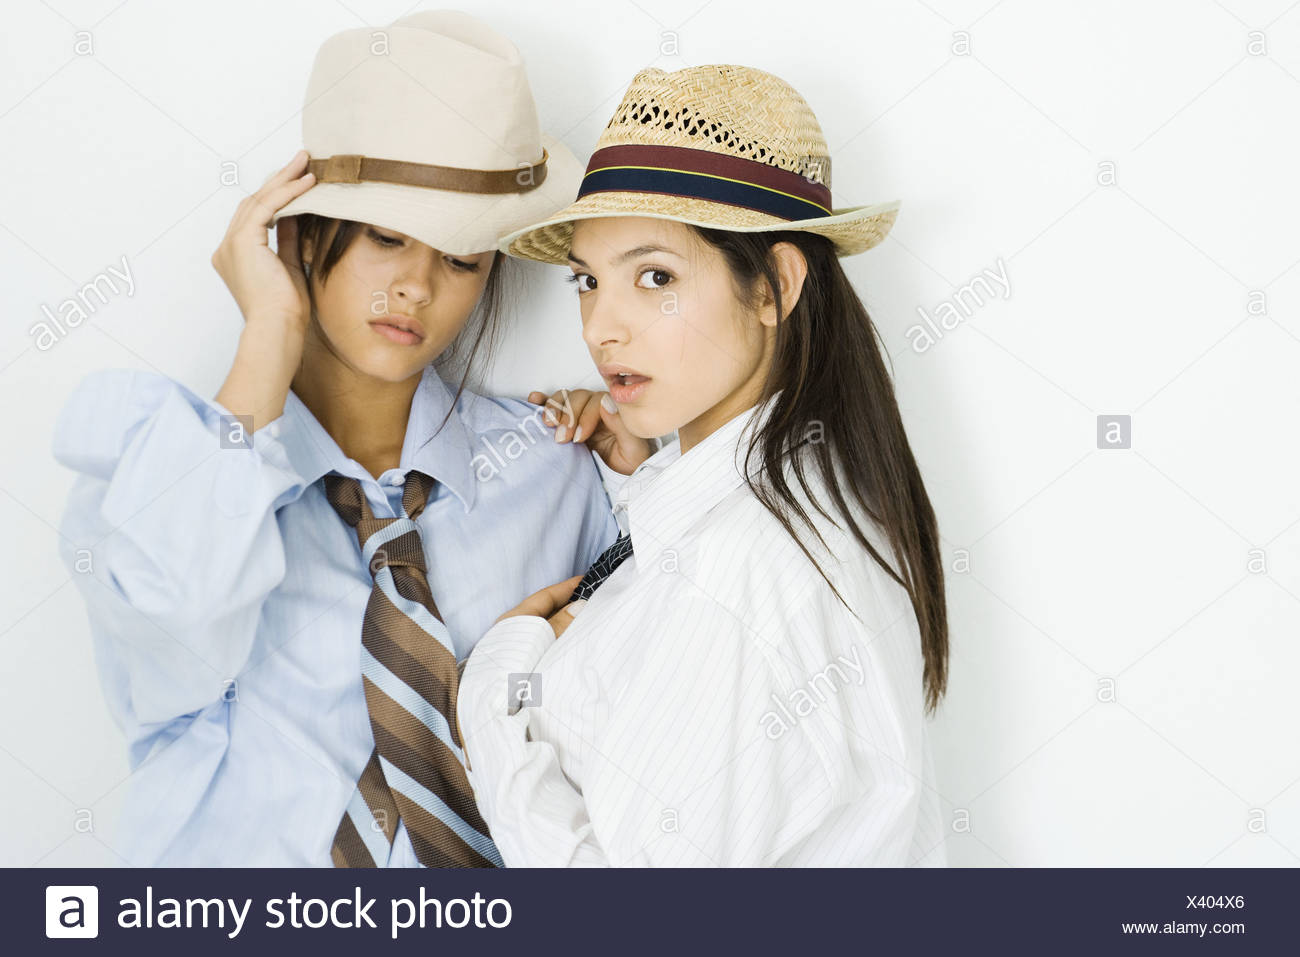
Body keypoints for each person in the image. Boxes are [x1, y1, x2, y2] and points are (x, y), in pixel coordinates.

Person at [49, 11, 618, 867]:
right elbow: (163, 637)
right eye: (387, 236)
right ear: (300, 229)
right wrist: (268, 332)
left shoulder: (556, 472)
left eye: (462, 260)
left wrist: (643, 466)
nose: (417, 286)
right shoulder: (170, 473)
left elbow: (629, 730)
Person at [456, 64, 951, 867]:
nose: (601, 328)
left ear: (775, 286)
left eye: (656, 278)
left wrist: (494, 683)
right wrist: (641, 483)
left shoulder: (741, 569)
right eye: (586, 280)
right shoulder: (798, 498)